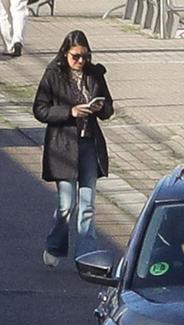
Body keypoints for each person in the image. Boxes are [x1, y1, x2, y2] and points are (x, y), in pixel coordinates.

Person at [33, 30, 114, 266]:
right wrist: (70, 111)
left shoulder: (94, 74)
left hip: (89, 143)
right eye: (76, 56)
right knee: (66, 205)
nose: (80, 62)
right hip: (64, 145)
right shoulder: (53, 74)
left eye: (84, 56)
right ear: (65, 53)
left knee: (87, 204)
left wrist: (100, 107)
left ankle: (85, 256)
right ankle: (55, 246)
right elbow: (40, 109)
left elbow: (109, 108)